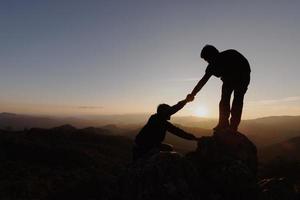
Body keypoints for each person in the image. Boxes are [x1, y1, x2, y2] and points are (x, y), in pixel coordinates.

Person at [187, 45, 251, 131]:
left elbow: (203, 81)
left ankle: (232, 126)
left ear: (213, 54)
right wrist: (193, 94)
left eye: (207, 59)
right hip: (233, 77)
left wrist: (192, 94)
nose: (207, 61)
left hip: (242, 75)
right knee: (226, 100)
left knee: (236, 100)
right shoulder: (212, 65)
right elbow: (203, 81)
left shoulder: (229, 54)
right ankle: (224, 123)